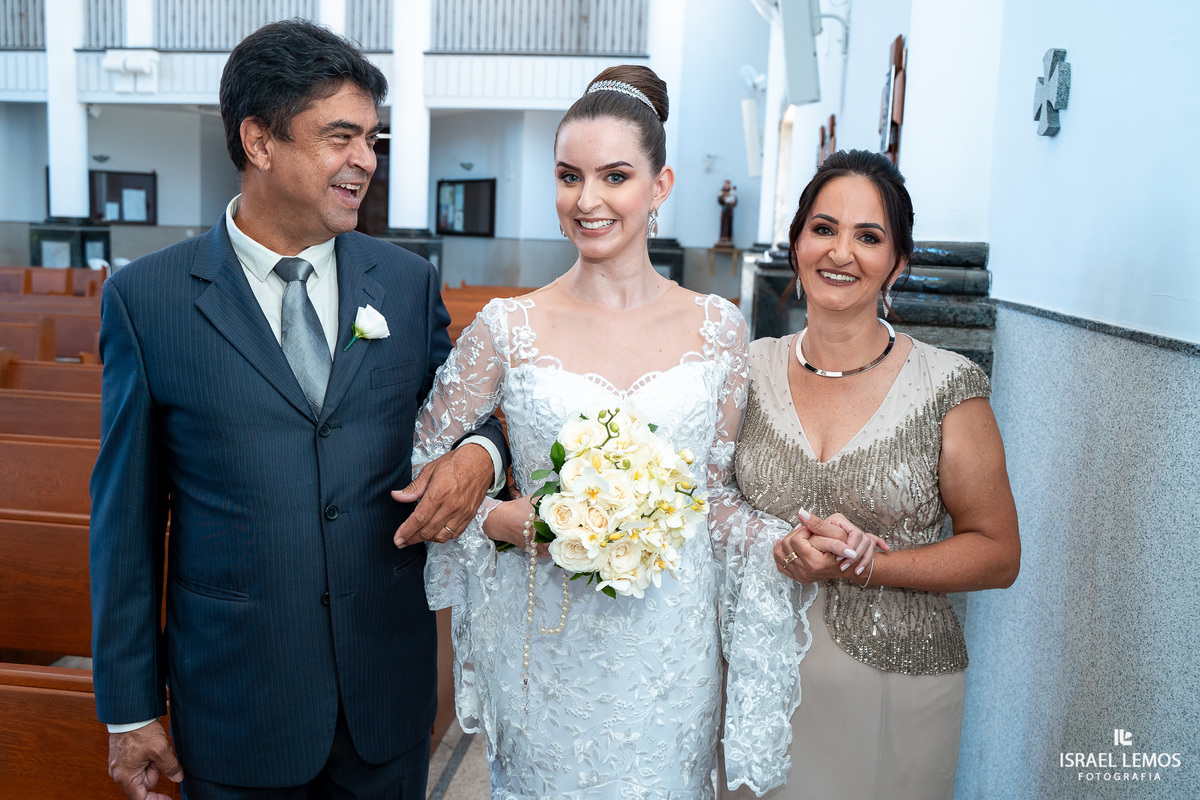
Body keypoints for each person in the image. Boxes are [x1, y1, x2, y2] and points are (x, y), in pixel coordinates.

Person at [406, 66, 877, 797]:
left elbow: (711, 501)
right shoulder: (508, 328)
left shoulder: (718, 328)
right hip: (550, 661)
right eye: (568, 176)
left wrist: (781, 541)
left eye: (614, 176)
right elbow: (422, 466)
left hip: (670, 662)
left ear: (660, 187)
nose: (586, 200)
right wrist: (502, 517)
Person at [89, 20, 508, 800]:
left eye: (372, 140)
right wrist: (130, 707)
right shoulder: (148, 301)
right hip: (237, 701)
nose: (365, 162)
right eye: (340, 137)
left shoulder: (405, 284)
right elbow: (126, 523)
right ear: (259, 140)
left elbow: (471, 417)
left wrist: (480, 457)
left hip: (383, 693)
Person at [721, 149, 1021, 800]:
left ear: (899, 263)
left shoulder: (948, 386)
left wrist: (868, 565)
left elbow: (998, 555)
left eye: (869, 236)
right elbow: (703, 502)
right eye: (824, 229)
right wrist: (768, 542)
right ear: (797, 243)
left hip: (899, 691)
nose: (841, 253)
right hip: (761, 683)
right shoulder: (743, 370)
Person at [718, 179, 737, 244]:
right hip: (724, 209)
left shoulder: (732, 192)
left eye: (728, 184)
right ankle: (722, 238)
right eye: (726, 184)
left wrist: (733, 202)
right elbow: (720, 200)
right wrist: (724, 198)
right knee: (724, 223)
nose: (727, 186)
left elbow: (735, 200)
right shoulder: (721, 192)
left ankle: (728, 238)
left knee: (729, 223)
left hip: (729, 210)